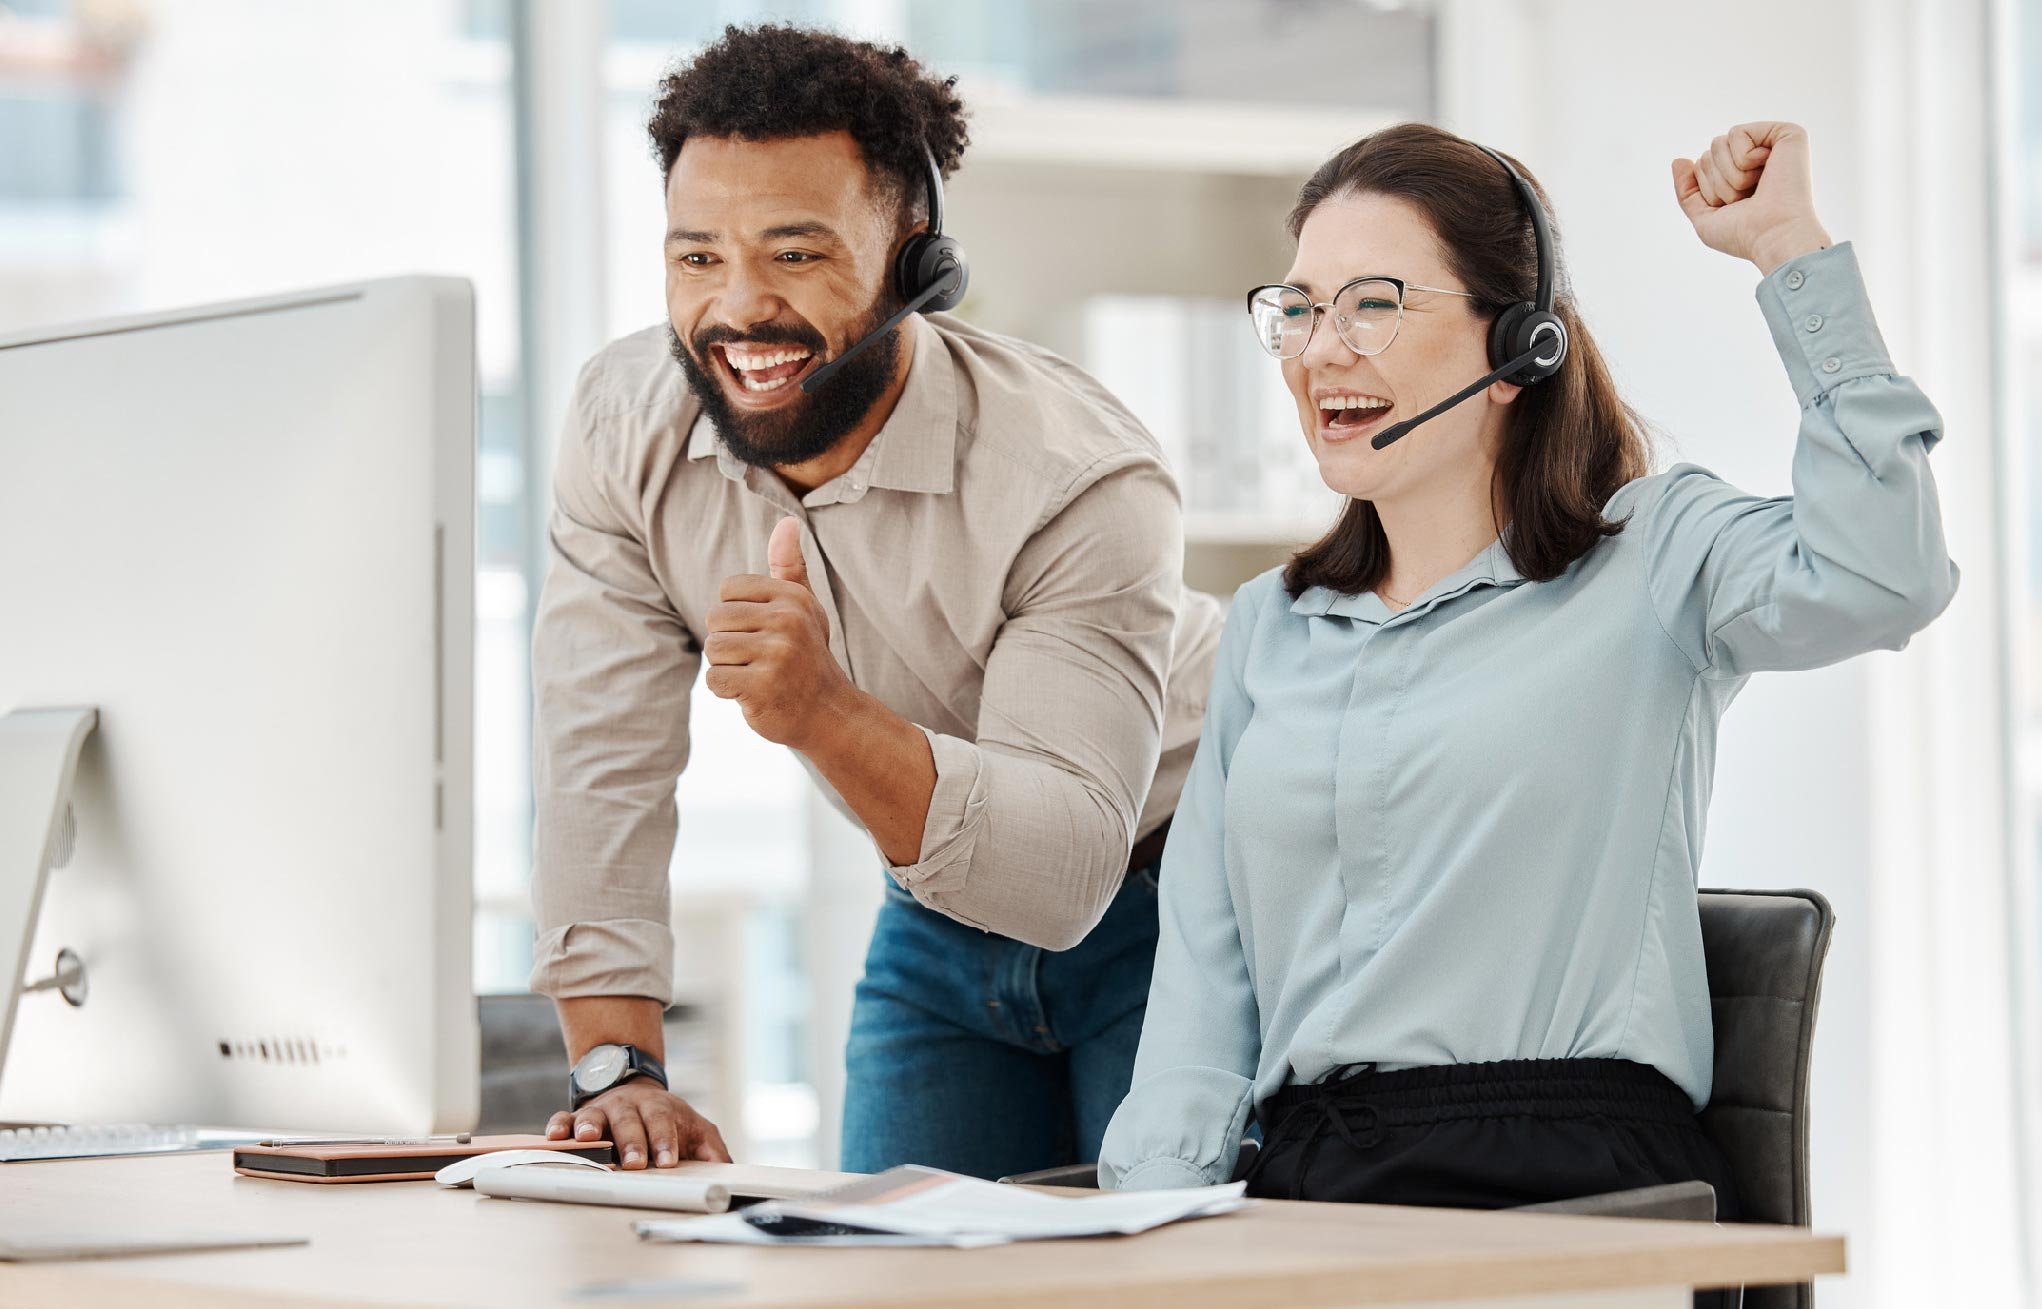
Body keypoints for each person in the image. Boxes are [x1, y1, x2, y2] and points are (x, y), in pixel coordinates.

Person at [1098, 121, 1956, 1213]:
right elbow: (1202, 989)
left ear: (1517, 350)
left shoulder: (1653, 555)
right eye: (1301, 309)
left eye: (1372, 304)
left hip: (1568, 1190)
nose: (1319, 351)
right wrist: (1152, 1222)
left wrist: (1790, 253)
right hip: (1316, 1192)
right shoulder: (1274, 624)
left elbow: (1888, 574)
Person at [530, 24, 1221, 1180]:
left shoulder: (1076, 473)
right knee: (887, 1273)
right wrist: (619, 1071)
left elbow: (1060, 877)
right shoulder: (623, 426)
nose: (738, 309)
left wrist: (820, 712)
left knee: (1151, 1274)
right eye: (696, 258)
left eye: (794, 256)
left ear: (916, 261)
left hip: (1183, 891)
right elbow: (600, 760)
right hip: (936, 904)